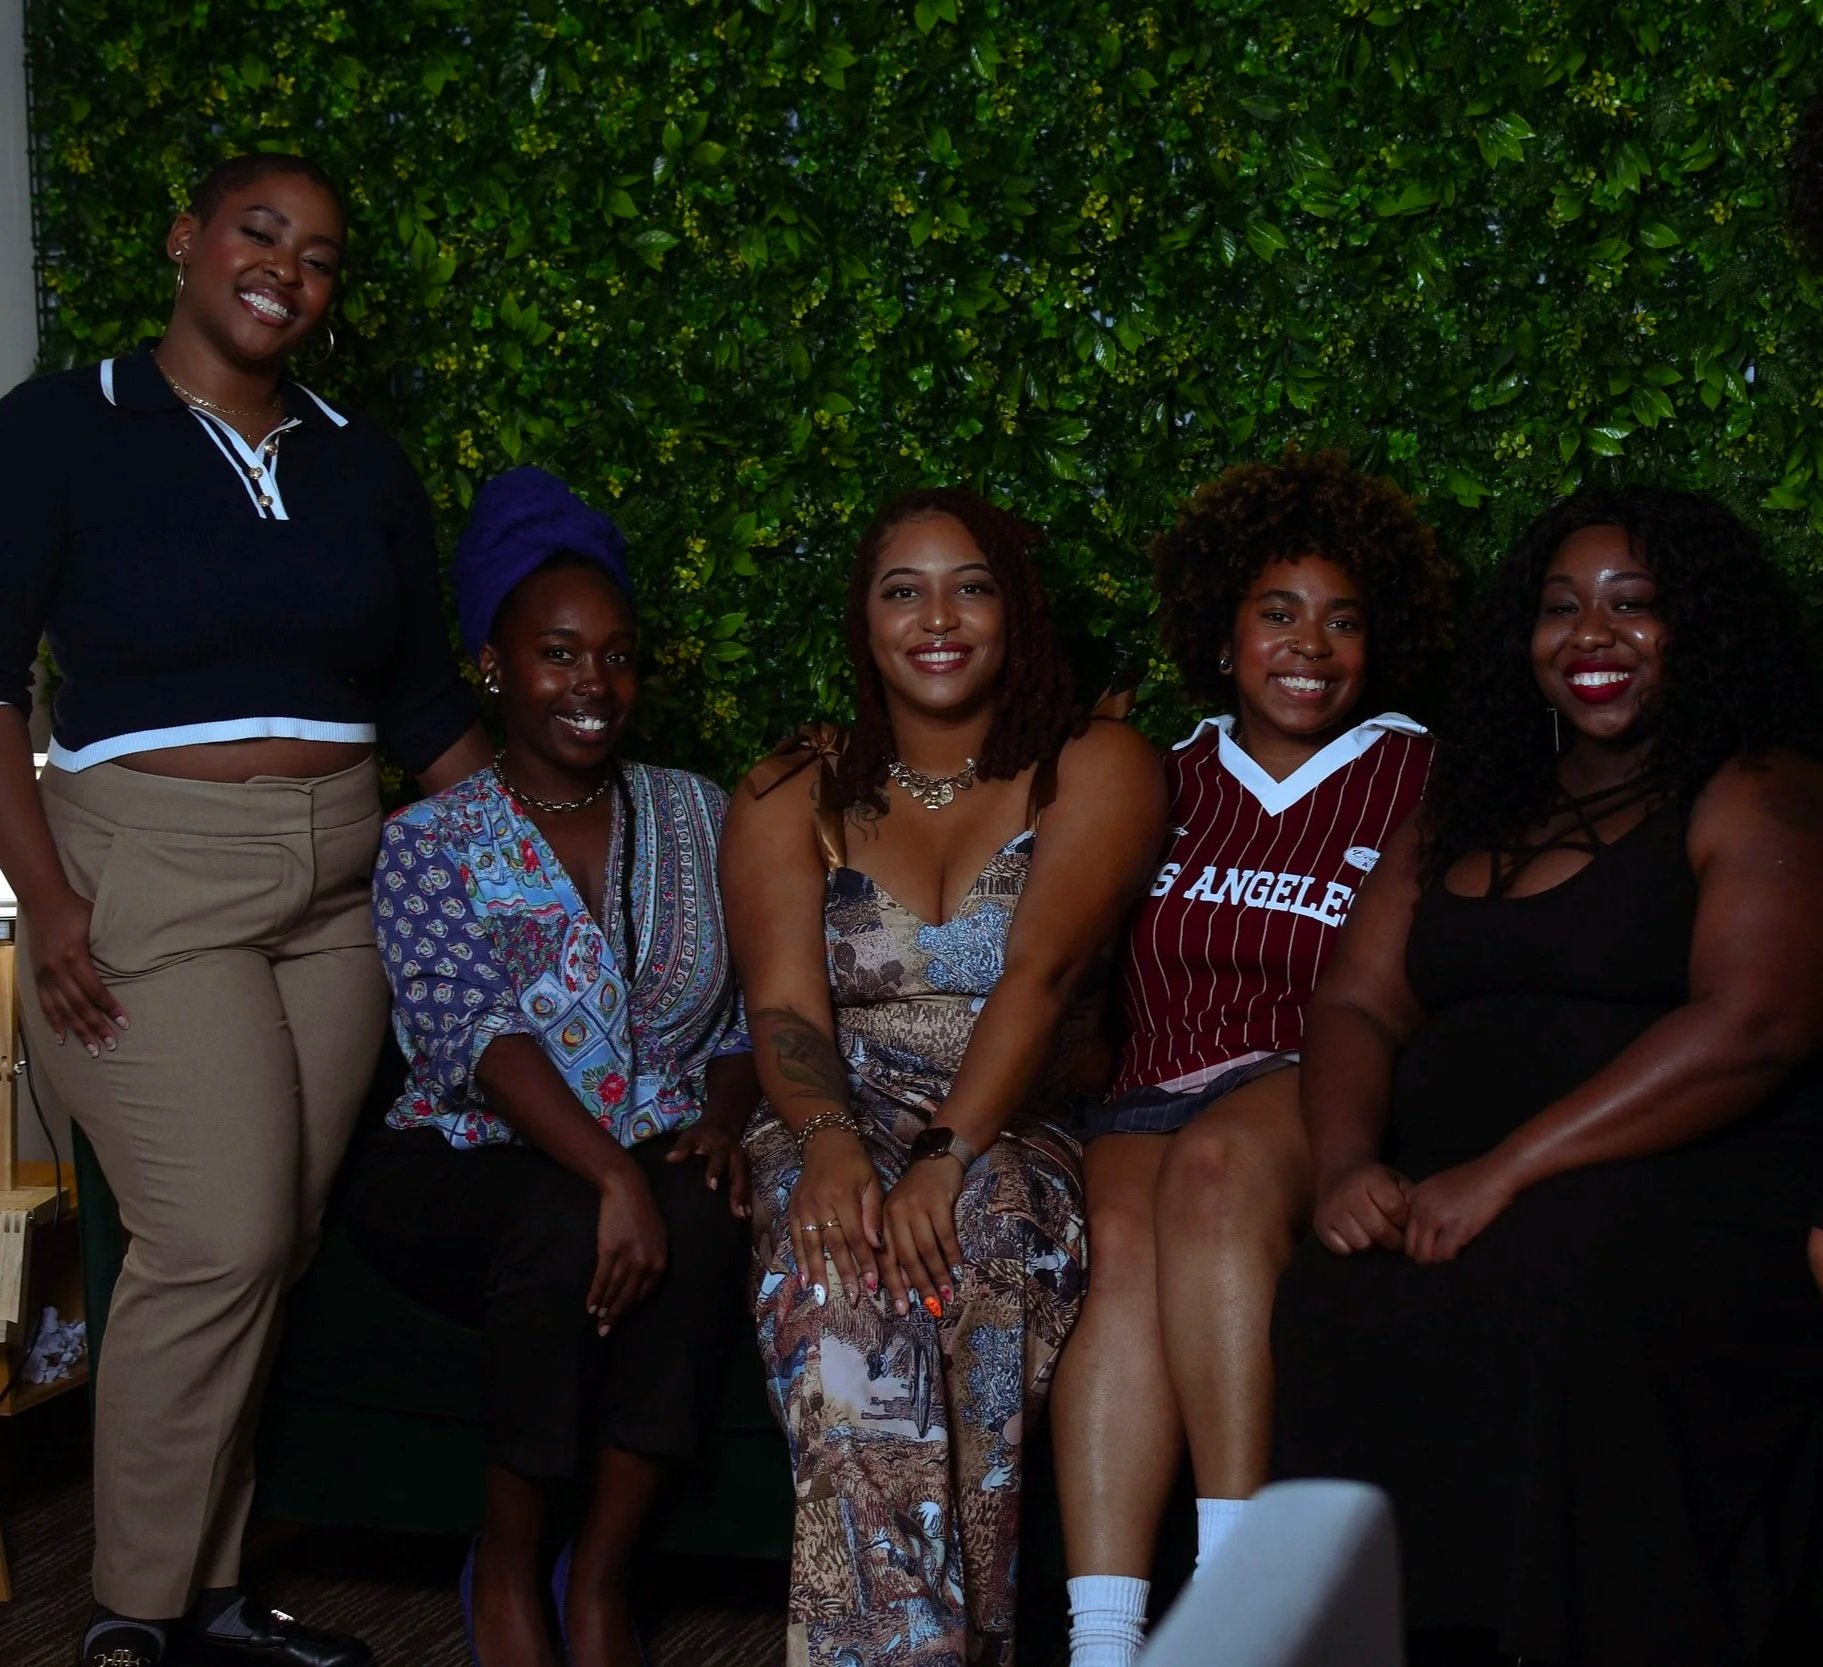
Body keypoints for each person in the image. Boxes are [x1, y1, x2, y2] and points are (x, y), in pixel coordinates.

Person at [0, 154, 489, 1667]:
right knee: (213, 1231)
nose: (288, 267)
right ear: (188, 241)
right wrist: (49, 896)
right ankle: (134, 1609)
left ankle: (211, 1588)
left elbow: (420, 701)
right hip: (148, 867)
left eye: (322, 254)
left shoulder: (360, 460)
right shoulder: (63, 427)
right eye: (259, 231)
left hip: (340, 878)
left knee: (269, 1238)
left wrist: (559, 851)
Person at [1271, 486, 1823, 1667]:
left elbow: (1755, 1022)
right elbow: (1359, 999)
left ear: (1701, 627)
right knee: (1337, 1288)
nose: (1590, 635)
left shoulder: (1752, 782)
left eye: (1634, 606)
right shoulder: (1467, 806)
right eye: (1559, 607)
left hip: (1682, 1185)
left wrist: (1505, 1169)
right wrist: (1343, 1163)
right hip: (1457, 1182)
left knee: (1555, 1276)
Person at [722, 487, 1164, 1666]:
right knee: (837, 1273)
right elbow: (780, 1002)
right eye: (901, 588)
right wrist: (824, 1141)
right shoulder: (787, 791)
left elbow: (1042, 970)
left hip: (1009, 1120)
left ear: (1013, 610)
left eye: (970, 585)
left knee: (986, 1232)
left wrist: (945, 1156)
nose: (938, 616)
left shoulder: (1092, 762)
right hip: (836, 1104)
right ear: (862, 621)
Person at [343, 467, 755, 1667]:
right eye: (559, 653)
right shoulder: (428, 840)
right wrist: (614, 1180)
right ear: (493, 663)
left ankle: (601, 1576)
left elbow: (744, 1017)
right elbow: (477, 1039)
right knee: (562, 1213)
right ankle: (513, 1559)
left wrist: (724, 1124)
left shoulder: (696, 811)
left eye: (617, 655)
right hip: (458, 1157)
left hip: (659, 1129)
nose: (593, 684)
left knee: (712, 1209)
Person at [1049, 450, 1453, 1667]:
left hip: (1302, 1077)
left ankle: (1236, 1615)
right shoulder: (1155, 773)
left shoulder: (1419, 770)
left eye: (1340, 620)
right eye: (1276, 613)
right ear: (1221, 633)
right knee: (1117, 1247)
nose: (1308, 645)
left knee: (1217, 1173)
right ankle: (1106, 1643)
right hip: (1149, 1087)